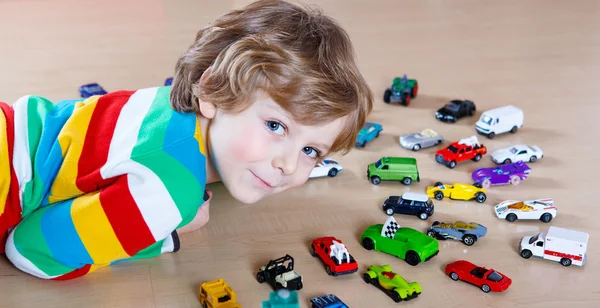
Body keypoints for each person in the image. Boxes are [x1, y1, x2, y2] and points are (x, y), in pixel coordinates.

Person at [0, 0, 373, 280]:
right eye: (276, 126)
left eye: (311, 151)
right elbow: (31, 251)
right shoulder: (167, 196)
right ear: (212, 89)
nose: (289, 165)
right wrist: (165, 236)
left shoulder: (164, 103)